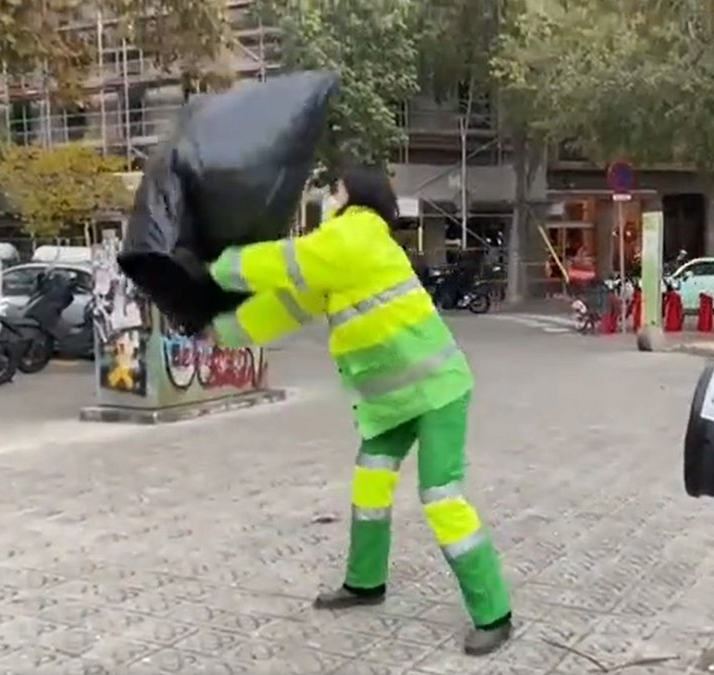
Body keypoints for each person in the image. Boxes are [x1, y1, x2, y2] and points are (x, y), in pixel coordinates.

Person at [205, 165, 514, 655]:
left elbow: (287, 261)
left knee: (441, 496)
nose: (329, 195)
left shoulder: (355, 236)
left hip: (436, 391)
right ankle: (365, 582)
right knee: (370, 483)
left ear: (356, 196)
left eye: (336, 188)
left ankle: (494, 611)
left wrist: (214, 264)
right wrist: (224, 333)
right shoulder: (338, 253)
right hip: (395, 400)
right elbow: (288, 304)